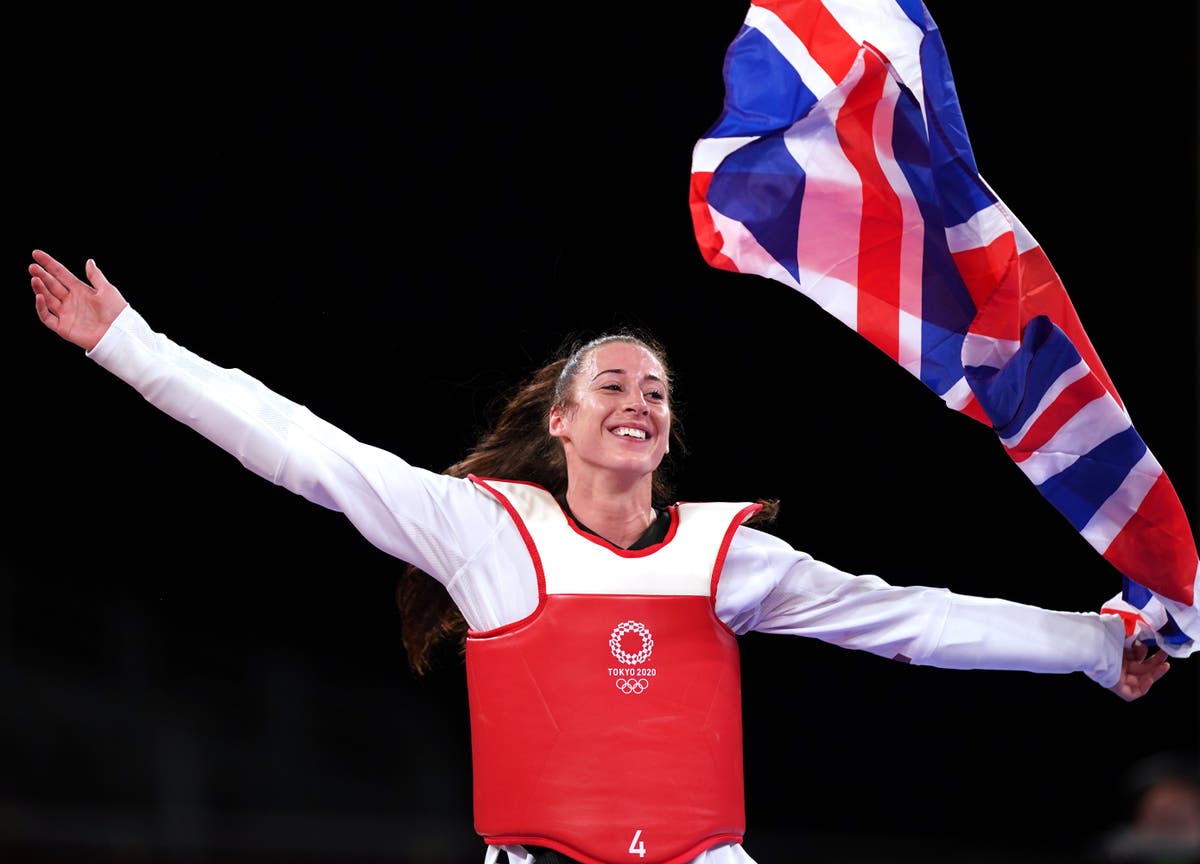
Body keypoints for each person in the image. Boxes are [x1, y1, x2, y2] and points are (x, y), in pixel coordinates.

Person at [27, 248, 1170, 864]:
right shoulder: (484, 531)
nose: (639, 400)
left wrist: (1096, 642)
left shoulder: (730, 558)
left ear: (667, 433)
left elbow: (912, 619)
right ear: (562, 424)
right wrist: (131, 348)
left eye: (657, 391)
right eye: (612, 384)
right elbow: (300, 450)